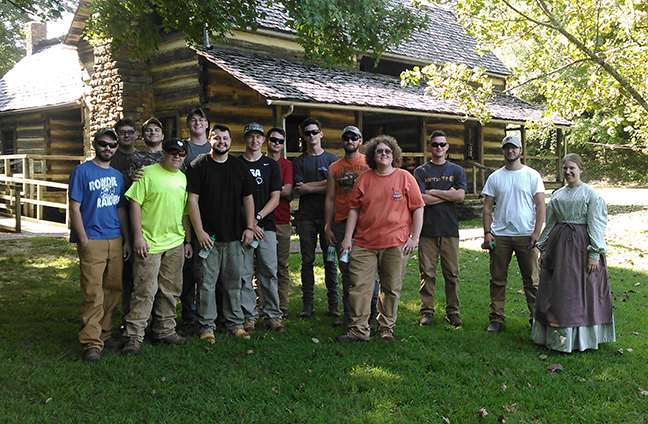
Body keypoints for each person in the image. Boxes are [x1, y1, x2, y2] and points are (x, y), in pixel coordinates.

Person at [337, 135, 424, 343]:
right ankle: (358, 330)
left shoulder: (405, 177)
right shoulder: (364, 179)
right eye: (379, 151)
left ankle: (386, 328)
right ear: (372, 155)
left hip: (396, 244)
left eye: (387, 151)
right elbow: (354, 210)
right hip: (364, 244)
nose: (383, 154)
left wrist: (414, 238)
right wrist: (348, 238)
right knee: (359, 287)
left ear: (393, 155)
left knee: (391, 288)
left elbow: (418, 207)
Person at [531, 153, 615, 352]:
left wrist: (594, 254)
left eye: (572, 168)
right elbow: (550, 224)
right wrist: (543, 248)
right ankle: (557, 336)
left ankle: (582, 338)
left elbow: (596, 225)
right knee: (559, 290)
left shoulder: (591, 195)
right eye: (565, 168)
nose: (568, 172)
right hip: (559, 248)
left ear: (580, 170)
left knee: (582, 291)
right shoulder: (558, 195)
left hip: (581, 248)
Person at [121, 138, 193, 355]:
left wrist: (187, 240)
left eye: (181, 154)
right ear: (164, 153)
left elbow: (185, 213)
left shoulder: (182, 179)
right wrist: (138, 237)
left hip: (175, 242)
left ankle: (165, 330)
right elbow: (135, 204)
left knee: (171, 290)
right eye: (173, 152)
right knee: (145, 289)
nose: (177, 157)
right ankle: (134, 336)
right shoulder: (147, 174)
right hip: (149, 243)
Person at [186, 124, 256, 342]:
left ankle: (235, 323)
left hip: (235, 236)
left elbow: (248, 198)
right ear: (210, 139)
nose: (221, 142)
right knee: (206, 282)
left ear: (230, 141)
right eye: (217, 138)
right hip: (208, 238)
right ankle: (206, 327)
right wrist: (199, 232)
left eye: (225, 138)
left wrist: (250, 226)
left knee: (234, 282)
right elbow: (192, 200)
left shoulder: (238, 166)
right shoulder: (198, 165)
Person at [68, 128, 131, 363]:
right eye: (104, 144)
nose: (108, 148)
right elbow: (75, 206)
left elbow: (120, 208)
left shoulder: (116, 176)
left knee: (113, 290)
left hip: (114, 238)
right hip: (92, 239)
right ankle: (91, 343)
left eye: (112, 145)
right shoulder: (82, 171)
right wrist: (82, 238)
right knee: (92, 291)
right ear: (96, 145)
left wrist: (125, 240)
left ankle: (105, 334)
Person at [482, 134, 546, 333]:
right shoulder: (495, 177)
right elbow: (486, 209)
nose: (511, 151)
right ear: (503, 151)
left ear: (520, 151)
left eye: (514, 148)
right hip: (500, 236)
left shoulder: (532, 175)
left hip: (526, 235)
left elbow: (541, 206)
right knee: (497, 280)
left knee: (532, 281)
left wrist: (537, 232)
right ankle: (497, 319)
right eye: (507, 147)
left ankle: (537, 318)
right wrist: (487, 233)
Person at [324, 125, 379, 329]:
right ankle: (349, 313)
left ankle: (373, 315)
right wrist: (328, 226)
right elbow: (330, 198)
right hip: (341, 223)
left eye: (354, 138)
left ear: (360, 140)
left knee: (368, 271)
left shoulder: (370, 163)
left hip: (367, 224)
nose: (350, 141)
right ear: (342, 141)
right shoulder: (334, 167)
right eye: (346, 138)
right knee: (346, 270)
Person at [414, 130, 467, 327]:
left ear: (447, 147)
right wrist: (447, 193)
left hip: (449, 229)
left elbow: (460, 196)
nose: (438, 148)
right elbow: (420, 199)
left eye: (442, 144)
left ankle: (453, 312)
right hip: (427, 230)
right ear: (429, 147)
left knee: (452, 274)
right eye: (435, 144)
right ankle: (427, 311)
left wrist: (433, 192)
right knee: (427, 273)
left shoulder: (456, 170)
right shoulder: (421, 171)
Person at [239, 122, 285, 333]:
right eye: (251, 136)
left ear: (263, 141)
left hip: (266, 226)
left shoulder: (271, 165)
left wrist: (257, 218)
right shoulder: (236, 164)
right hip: (243, 229)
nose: (254, 140)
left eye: (258, 137)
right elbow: (234, 199)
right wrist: (249, 224)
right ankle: (249, 316)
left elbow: (275, 198)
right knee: (245, 272)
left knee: (269, 271)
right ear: (245, 139)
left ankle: (273, 315)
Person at [292, 118, 339, 318]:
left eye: (315, 132)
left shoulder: (332, 160)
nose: (311, 136)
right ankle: (307, 305)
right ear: (303, 136)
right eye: (307, 133)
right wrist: (323, 185)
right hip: (306, 218)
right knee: (307, 261)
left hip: (328, 218)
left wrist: (311, 187)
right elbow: (298, 189)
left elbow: (334, 186)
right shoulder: (299, 161)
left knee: (330, 260)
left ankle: (333, 304)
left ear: (321, 134)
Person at [179, 108, 212, 327]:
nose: (197, 123)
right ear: (188, 124)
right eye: (193, 120)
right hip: (187, 208)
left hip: (212, 210)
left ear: (207, 124)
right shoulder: (183, 147)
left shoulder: (215, 145)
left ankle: (210, 308)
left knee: (211, 262)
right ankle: (188, 309)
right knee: (189, 265)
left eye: (201, 120)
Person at [111, 118, 139, 324]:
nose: (126, 135)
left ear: (136, 134)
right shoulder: (111, 158)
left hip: (139, 219)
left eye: (130, 132)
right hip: (115, 220)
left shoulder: (142, 158)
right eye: (122, 132)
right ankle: (123, 314)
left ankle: (140, 316)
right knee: (121, 273)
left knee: (139, 272)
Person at [265, 127, 293, 318]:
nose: (277, 144)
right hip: (262, 222)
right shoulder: (259, 162)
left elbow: (288, 191)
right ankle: (262, 303)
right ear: (267, 141)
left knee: (281, 265)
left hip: (282, 220)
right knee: (261, 266)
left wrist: (266, 189)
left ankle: (282, 304)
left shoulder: (287, 165)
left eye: (280, 141)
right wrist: (278, 189)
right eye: (273, 140)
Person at [123, 117, 165, 188]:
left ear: (162, 136)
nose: (153, 132)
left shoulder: (172, 156)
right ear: (142, 136)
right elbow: (126, 186)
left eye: (157, 130)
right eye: (148, 130)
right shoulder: (134, 158)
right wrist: (132, 178)